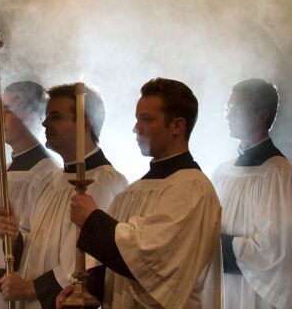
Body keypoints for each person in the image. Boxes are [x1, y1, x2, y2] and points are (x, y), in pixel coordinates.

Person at [59, 77, 222, 309]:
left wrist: (93, 220)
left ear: (177, 126)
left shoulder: (192, 189)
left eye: (147, 120)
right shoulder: (133, 191)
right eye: (137, 119)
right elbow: (118, 266)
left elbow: (153, 260)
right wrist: (86, 289)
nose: (136, 129)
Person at [0, 83, 128, 309]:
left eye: (55, 116)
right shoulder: (56, 180)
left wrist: (29, 288)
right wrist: (16, 236)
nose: (45, 123)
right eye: (47, 116)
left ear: (85, 125)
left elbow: (90, 264)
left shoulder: (105, 181)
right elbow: (39, 250)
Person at [212, 79, 292, 309]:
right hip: (223, 287)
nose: (228, 116)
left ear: (261, 115)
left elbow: (275, 249)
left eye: (236, 110)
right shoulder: (222, 172)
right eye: (227, 109)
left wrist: (212, 245)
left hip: (254, 295)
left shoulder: (276, 173)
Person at [0, 81, 59, 309]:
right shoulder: (2, 175)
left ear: (34, 116)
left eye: (6, 111)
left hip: (19, 294)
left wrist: (0, 273)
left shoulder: (49, 176)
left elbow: (46, 250)